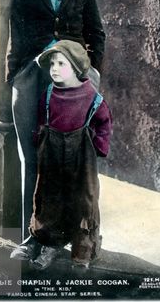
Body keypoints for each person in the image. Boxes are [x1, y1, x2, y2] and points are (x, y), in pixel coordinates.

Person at [6, 0, 106, 240]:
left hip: (75, 85)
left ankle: (74, 239)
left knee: (76, 162)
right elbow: (15, 36)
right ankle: (31, 238)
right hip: (33, 78)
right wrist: (19, 76)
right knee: (32, 160)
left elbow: (96, 33)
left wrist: (91, 75)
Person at [11, 40, 112, 270]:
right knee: (50, 199)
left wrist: (98, 145)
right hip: (53, 153)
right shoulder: (49, 94)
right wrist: (40, 137)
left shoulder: (91, 97)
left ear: (76, 68)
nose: (54, 69)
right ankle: (50, 245)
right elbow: (42, 118)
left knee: (83, 202)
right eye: (52, 64)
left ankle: (83, 252)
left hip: (80, 157)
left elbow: (104, 122)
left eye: (61, 64)